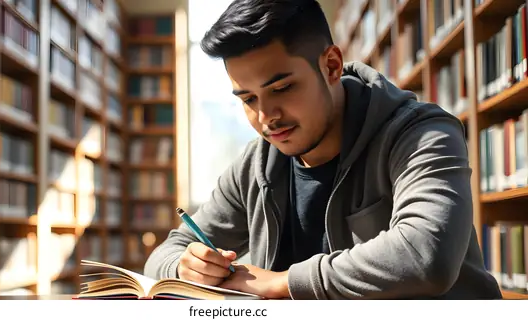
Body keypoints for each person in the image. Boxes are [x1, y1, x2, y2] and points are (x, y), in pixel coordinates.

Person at [143, 0, 502, 299]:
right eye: (249, 99)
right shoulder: (255, 164)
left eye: (282, 88)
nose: (267, 117)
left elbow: (427, 255)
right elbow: (164, 254)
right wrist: (186, 265)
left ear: (330, 65)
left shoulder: (421, 133)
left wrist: (283, 283)